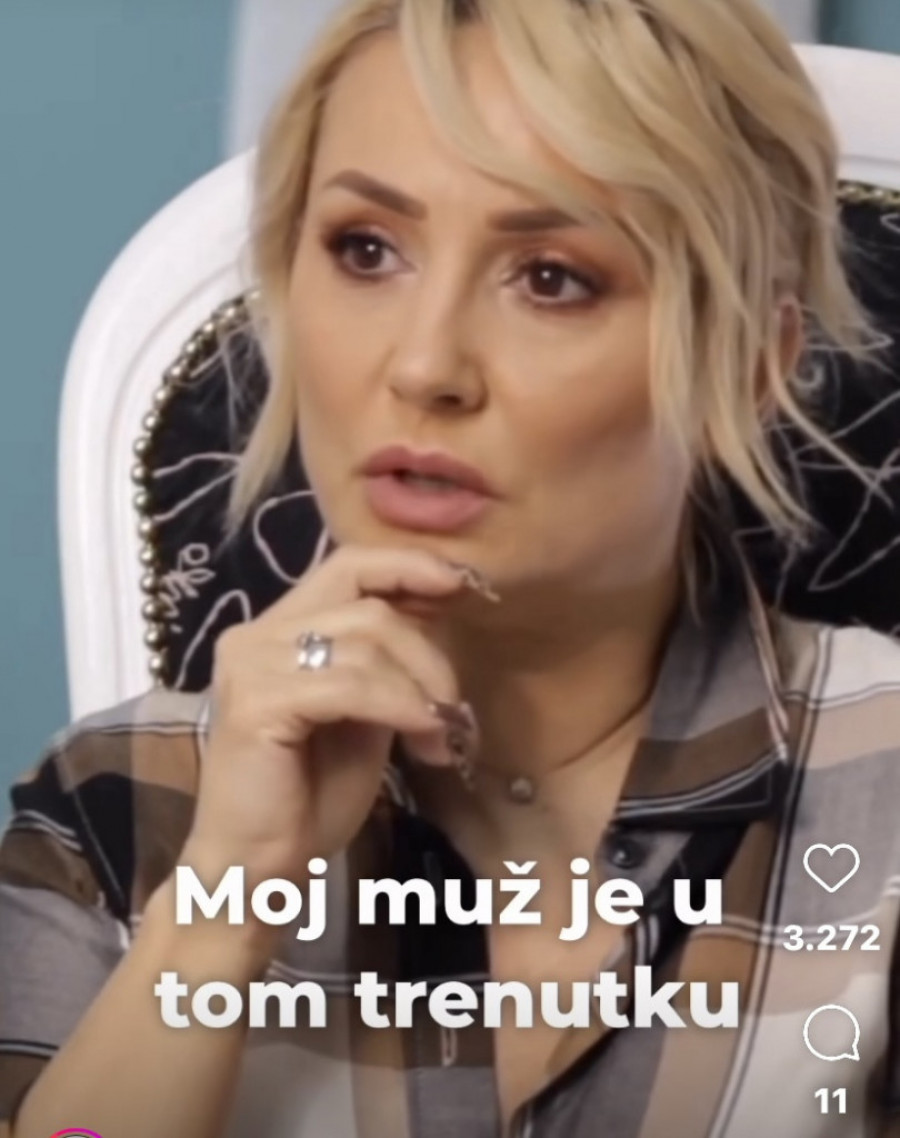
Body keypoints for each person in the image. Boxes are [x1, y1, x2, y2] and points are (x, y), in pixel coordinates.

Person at [2, 0, 900, 1135]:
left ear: (753, 363)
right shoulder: (112, 801)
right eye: (365, 250)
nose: (425, 365)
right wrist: (223, 901)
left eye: (552, 277)